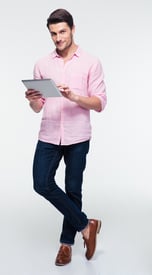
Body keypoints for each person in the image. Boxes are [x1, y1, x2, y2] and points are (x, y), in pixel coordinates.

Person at [25, 8, 107, 266]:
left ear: (72, 29)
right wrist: (33, 100)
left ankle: (66, 244)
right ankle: (86, 225)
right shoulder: (42, 64)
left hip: (78, 136)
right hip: (49, 133)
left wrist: (74, 97)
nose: (58, 38)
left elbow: (100, 102)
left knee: (73, 190)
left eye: (62, 32)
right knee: (41, 183)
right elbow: (38, 107)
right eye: (53, 34)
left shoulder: (91, 62)